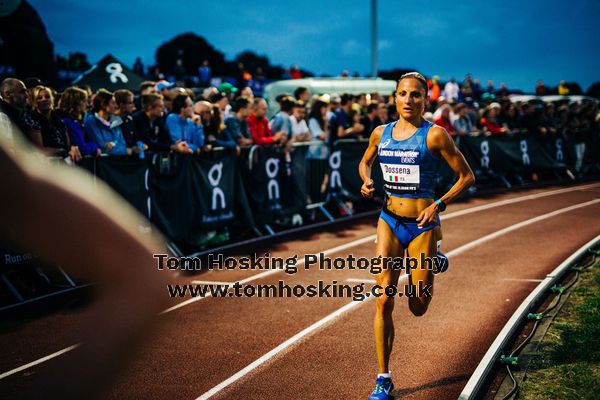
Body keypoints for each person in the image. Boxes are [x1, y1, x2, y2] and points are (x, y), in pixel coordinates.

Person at [358, 72, 475, 400]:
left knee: (418, 304)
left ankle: (431, 258)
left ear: (425, 100)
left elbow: (467, 177)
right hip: (389, 221)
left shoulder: (435, 136)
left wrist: (438, 204)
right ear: (394, 97)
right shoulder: (380, 134)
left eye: (416, 95)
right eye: (403, 94)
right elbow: (364, 164)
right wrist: (366, 181)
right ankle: (383, 378)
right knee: (383, 298)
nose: (409, 100)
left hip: (423, 225)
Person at [25, 85, 81, 161]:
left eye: (47, 97)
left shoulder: (59, 119)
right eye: (39, 98)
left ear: (52, 99)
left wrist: (73, 148)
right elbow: (40, 150)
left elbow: (68, 145)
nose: (44, 99)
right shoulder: (32, 120)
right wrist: (62, 151)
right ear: (35, 102)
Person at [83, 89, 130, 156]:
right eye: (113, 103)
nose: (116, 106)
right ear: (103, 105)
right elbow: (102, 147)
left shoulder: (115, 120)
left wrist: (112, 146)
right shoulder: (91, 121)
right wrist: (119, 148)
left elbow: (123, 145)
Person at [60, 86, 102, 157]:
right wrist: (95, 147)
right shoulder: (69, 123)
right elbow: (82, 148)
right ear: (75, 103)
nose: (87, 104)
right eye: (84, 101)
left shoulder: (75, 122)